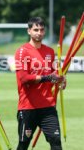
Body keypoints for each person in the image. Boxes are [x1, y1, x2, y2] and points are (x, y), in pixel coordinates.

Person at [15, 17, 66, 150]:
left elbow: (55, 74)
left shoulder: (49, 51)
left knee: (56, 142)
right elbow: (24, 78)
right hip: (28, 107)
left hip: (48, 106)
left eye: (41, 30)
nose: (39, 33)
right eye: (35, 30)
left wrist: (61, 80)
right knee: (23, 144)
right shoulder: (22, 51)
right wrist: (48, 77)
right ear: (29, 31)